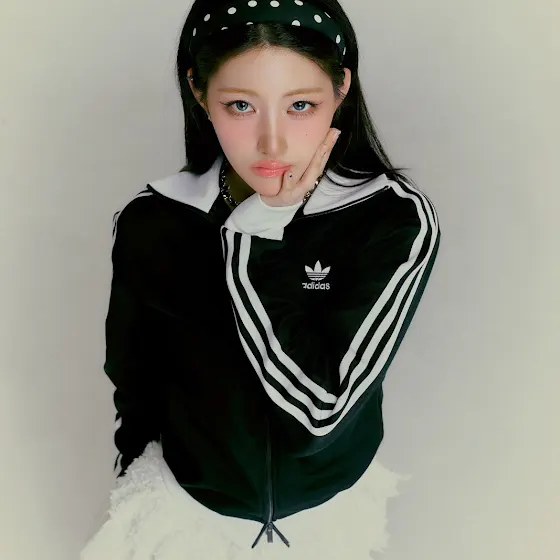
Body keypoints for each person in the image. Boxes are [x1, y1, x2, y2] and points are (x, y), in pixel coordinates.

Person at [80, 0, 441, 558]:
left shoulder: (389, 218)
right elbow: (133, 374)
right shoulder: (154, 220)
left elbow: (319, 414)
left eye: (300, 105)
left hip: (326, 519)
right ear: (199, 92)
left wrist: (258, 233)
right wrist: (136, 472)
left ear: (341, 89)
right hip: (184, 515)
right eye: (241, 105)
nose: (272, 143)